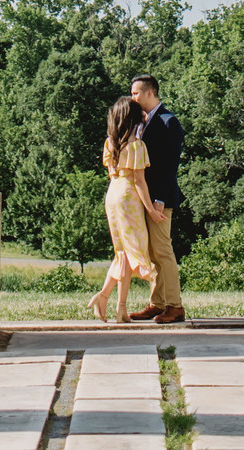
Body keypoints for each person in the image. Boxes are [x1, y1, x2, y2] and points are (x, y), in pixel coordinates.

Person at [87, 95, 165, 323]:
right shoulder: (137, 147)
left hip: (112, 194)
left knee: (122, 253)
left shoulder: (110, 143)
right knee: (133, 252)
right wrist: (151, 210)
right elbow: (139, 181)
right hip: (128, 197)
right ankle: (110, 300)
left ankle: (113, 303)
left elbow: (114, 173)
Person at [128, 74, 186, 323]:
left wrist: (159, 199)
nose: (133, 98)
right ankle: (157, 303)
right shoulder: (141, 122)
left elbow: (169, 166)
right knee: (151, 252)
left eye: (136, 93)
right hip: (143, 197)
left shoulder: (168, 121)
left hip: (160, 199)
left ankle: (175, 306)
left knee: (163, 250)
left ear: (150, 92)